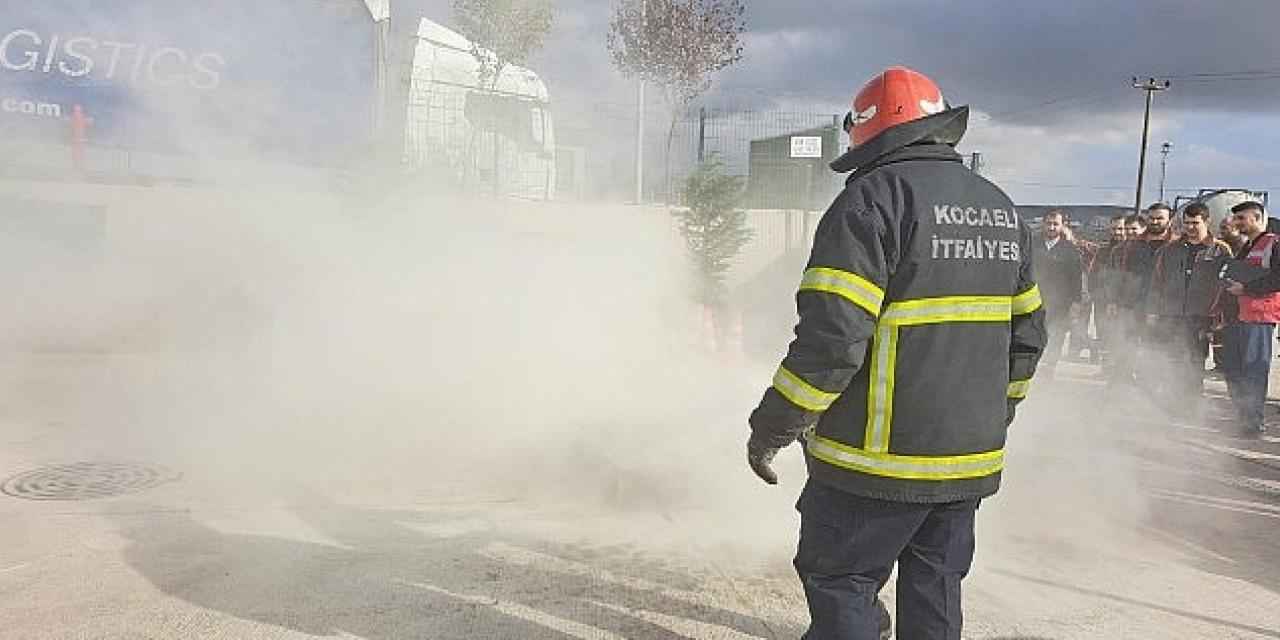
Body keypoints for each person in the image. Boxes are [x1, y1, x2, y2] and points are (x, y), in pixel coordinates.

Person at [746, 66, 1046, 640]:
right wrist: (988, 417)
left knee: (844, 581)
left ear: (866, 136)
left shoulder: (870, 200)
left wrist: (773, 426)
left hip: (874, 462)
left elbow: (832, 339)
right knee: (935, 590)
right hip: (966, 461)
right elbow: (1028, 336)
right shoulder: (1000, 207)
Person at [1146, 204, 1232, 413]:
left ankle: (1191, 404)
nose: (1191, 227)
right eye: (1187, 223)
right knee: (1171, 359)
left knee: (1194, 362)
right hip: (1171, 314)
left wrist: (1218, 318)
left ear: (1207, 221)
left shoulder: (1220, 250)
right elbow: (1156, 282)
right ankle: (1172, 402)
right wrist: (1152, 310)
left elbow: (1226, 286)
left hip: (1201, 316)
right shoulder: (1169, 250)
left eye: (1196, 223)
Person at [1222, 201, 1280, 436]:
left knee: (1254, 370)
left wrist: (1246, 288)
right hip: (1240, 315)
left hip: (1261, 316)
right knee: (1233, 369)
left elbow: (1276, 279)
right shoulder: (1247, 246)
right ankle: (1243, 416)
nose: (1237, 223)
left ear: (1256, 218)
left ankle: (1252, 423)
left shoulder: (1273, 244)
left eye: (1241, 219)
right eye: (1236, 219)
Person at [1032, 210, 1084, 378]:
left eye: (1056, 224)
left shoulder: (1070, 250)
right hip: (1033, 300)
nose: (1052, 227)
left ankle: (1048, 371)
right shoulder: (1032, 244)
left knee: (1055, 336)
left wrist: (1076, 302)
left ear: (1062, 226)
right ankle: (1031, 369)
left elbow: (1076, 278)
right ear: (1043, 224)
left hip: (1060, 303)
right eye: (1049, 223)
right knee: (1033, 334)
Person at [1091, 216, 1128, 367]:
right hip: (1102, 300)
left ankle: (1120, 368)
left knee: (1121, 336)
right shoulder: (1103, 250)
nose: (1117, 232)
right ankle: (1106, 366)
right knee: (1104, 334)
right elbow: (1093, 273)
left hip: (1124, 301)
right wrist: (1095, 294)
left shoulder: (1133, 249)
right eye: (1114, 229)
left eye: (1120, 228)